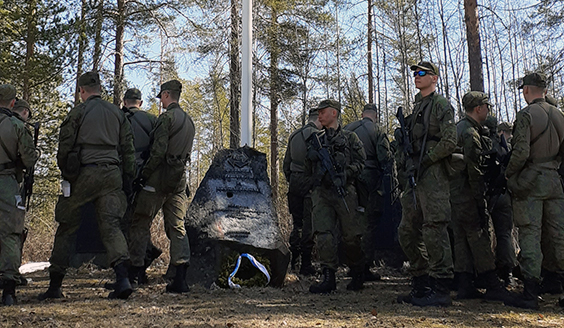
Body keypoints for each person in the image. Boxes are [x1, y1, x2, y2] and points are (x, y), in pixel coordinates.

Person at [38, 71, 136, 301]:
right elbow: (128, 150)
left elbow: (64, 148)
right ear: (100, 89)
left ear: (81, 90)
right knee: (111, 225)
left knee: (67, 225)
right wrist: (128, 179)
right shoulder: (117, 113)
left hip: (84, 173)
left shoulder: (78, 112)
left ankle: (55, 285)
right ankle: (123, 279)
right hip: (111, 174)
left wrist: (67, 173)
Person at [395, 61, 456, 307]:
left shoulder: (441, 105)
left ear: (435, 78)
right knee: (407, 231)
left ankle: (441, 287)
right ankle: (421, 282)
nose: (417, 77)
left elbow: (450, 140)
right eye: (415, 74)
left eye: (422, 73)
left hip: (432, 175)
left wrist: (428, 159)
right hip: (415, 175)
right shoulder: (418, 106)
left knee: (434, 228)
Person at [128, 80, 195, 294]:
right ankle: (181, 275)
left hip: (158, 179)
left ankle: (137, 271)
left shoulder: (166, 118)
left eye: (161, 97)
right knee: (177, 226)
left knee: (140, 221)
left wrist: (143, 176)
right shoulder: (189, 121)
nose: (161, 101)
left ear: (166, 95)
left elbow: (157, 152)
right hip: (178, 180)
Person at [504, 72, 564, 309]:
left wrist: (509, 173)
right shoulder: (560, 115)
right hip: (554, 181)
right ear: (545, 91)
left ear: (527, 90)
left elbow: (520, 153)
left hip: (531, 180)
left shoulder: (526, 115)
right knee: (558, 235)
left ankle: (530, 292)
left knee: (530, 234)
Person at [449, 91, 509, 301]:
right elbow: (474, 171)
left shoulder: (460, 128)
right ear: (478, 109)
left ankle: (465, 283)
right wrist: (479, 199)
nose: (488, 110)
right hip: (466, 192)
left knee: (461, 238)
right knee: (479, 235)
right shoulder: (470, 133)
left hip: (455, 193)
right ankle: (492, 283)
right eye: (486, 106)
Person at [305, 99, 366, 293]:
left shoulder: (350, 138)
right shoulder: (316, 140)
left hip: (345, 191)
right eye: (318, 113)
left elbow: (361, 162)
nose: (319, 116)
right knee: (324, 234)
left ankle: (357, 272)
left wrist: (346, 174)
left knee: (351, 236)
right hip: (322, 193)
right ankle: (328, 276)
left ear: (334, 113)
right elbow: (306, 168)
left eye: (323, 112)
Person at [344, 103, 392, 281]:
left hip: (349, 178)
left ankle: (352, 264)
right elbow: (384, 157)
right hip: (370, 178)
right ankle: (364, 267)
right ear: (375, 115)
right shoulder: (377, 130)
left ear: (363, 113)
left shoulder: (348, 128)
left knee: (350, 221)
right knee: (369, 223)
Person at [0, 85, 39, 305]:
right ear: (13, 103)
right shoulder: (17, 126)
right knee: (11, 234)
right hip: (7, 182)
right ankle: (8, 290)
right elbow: (30, 160)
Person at [120, 88, 162, 285]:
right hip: (147, 176)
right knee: (141, 221)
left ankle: (136, 267)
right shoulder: (153, 120)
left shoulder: (118, 118)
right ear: (141, 102)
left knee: (128, 221)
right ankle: (145, 256)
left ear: (124, 101)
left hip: (124, 174)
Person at [282, 107, 321, 276]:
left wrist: (292, 179)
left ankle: (293, 261)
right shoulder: (318, 136)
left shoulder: (294, 135)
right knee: (309, 225)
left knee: (296, 224)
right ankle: (306, 264)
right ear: (318, 119)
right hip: (310, 183)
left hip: (295, 183)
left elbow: (286, 163)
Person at [483, 116, 518, 287]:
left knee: (483, 232)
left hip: (488, 193)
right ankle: (508, 272)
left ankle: (486, 271)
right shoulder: (505, 146)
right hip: (504, 192)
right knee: (505, 233)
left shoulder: (484, 143)